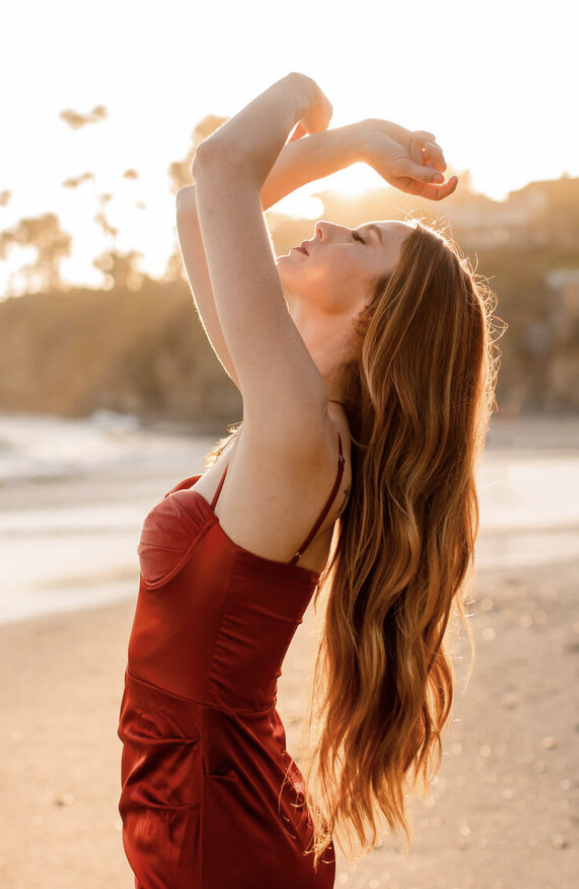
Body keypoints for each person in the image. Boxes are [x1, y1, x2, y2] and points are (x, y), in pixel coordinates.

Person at [118, 73, 501, 888]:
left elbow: (224, 169)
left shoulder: (298, 431)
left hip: (214, 822)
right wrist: (357, 141)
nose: (326, 223)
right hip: (200, 799)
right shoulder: (287, 411)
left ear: (374, 317)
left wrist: (304, 94)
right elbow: (198, 208)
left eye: (359, 243)